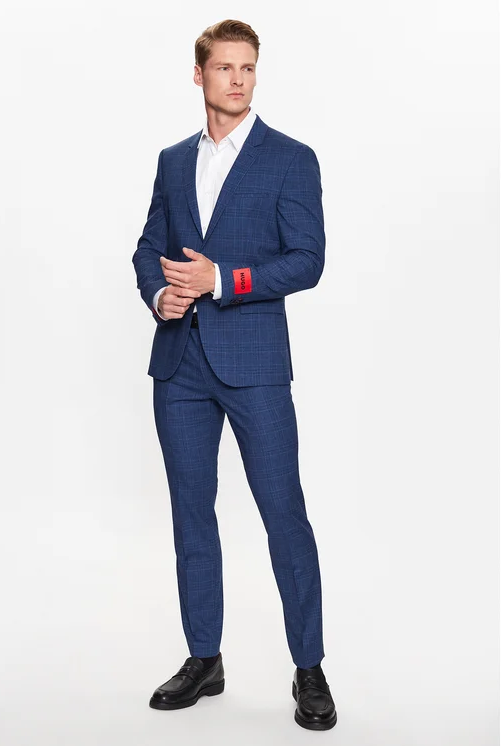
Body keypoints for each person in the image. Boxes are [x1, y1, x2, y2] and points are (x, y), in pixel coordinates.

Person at [132, 18, 337, 730]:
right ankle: (204, 658)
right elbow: (147, 247)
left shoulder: (290, 159)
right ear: (200, 75)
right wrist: (159, 295)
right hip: (180, 364)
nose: (238, 79)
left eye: (248, 67)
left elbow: (307, 260)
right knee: (192, 515)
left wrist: (222, 279)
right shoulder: (171, 161)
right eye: (225, 67)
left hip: (255, 365)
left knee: (284, 515)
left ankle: (308, 667)